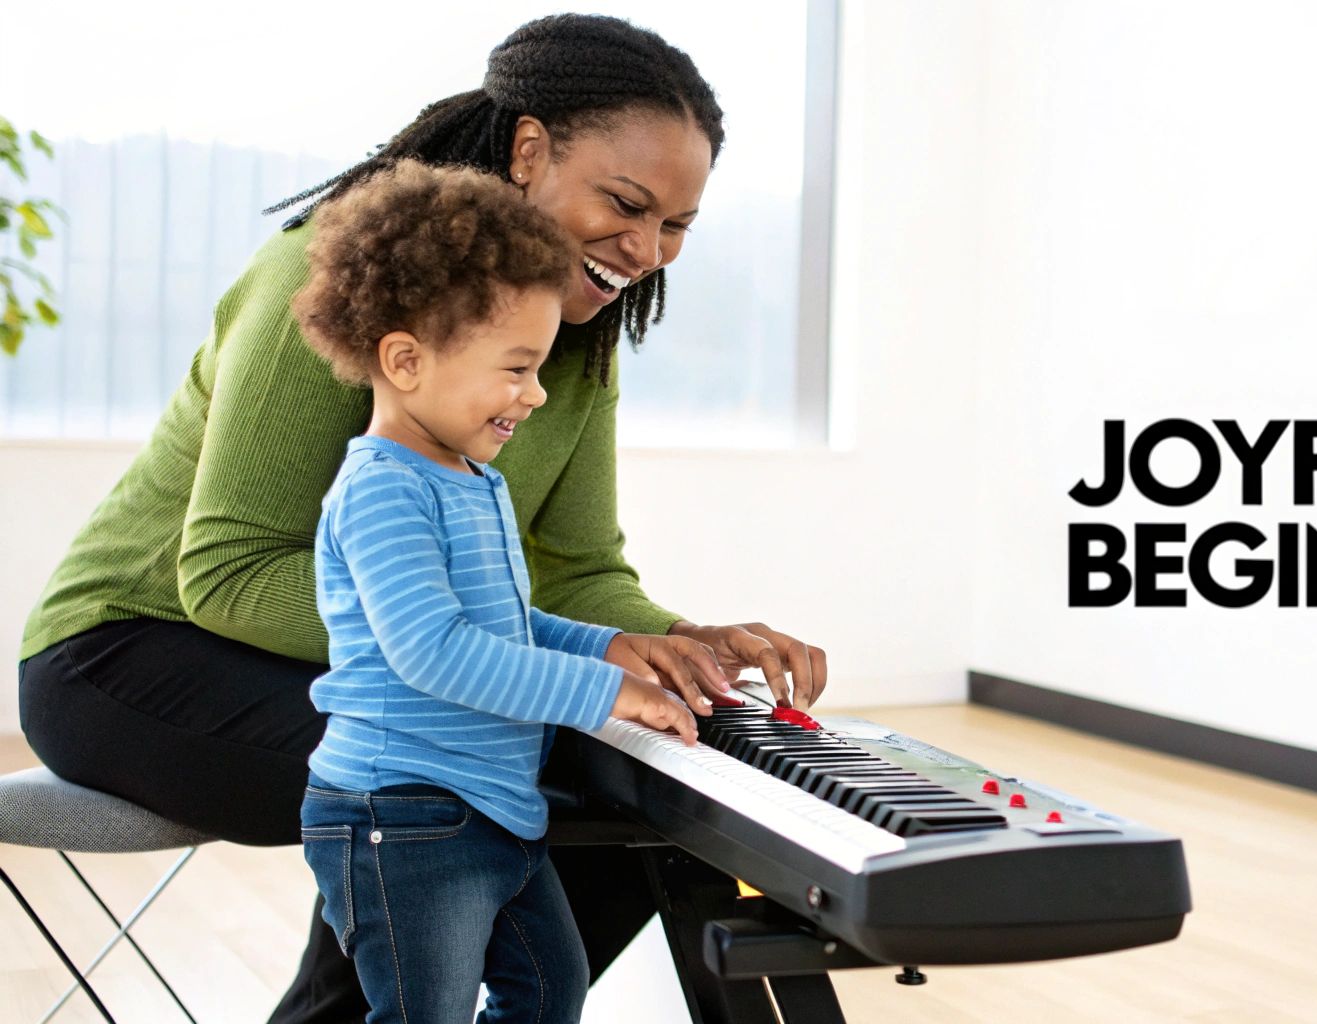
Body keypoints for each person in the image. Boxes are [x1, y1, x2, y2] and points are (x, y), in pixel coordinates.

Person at [15, 14, 826, 1022]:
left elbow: (574, 562)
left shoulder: (563, 344)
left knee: (636, 772)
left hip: (352, 653)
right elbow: (224, 571)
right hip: (130, 659)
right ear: (529, 149)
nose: (647, 249)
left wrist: (664, 644)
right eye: (625, 203)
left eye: (675, 225)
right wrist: (511, 659)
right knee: (471, 774)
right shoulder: (338, 284)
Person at [293, 159, 699, 1022]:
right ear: (405, 360)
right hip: (399, 815)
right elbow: (434, 651)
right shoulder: (383, 488)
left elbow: (506, 625)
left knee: (551, 988)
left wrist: (603, 644)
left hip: (487, 806)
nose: (537, 393)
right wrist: (601, 693)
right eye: (515, 368)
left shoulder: (471, 478)